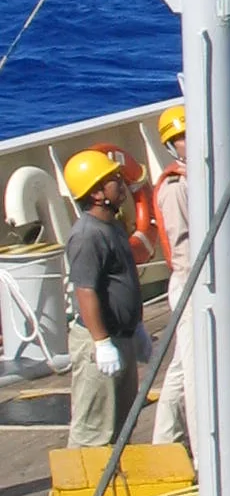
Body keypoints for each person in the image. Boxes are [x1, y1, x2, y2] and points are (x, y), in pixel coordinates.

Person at [63, 149, 147, 448]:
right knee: (93, 432)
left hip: (119, 338)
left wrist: (135, 327)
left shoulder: (113, 227)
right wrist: (101, 343)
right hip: (101, 343)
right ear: (97, 193)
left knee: (121, 427)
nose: (120, 182)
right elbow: (85, 291)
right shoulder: (88, 235)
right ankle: (85, 493)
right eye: (112, 179)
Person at [150, 105, 197, 457]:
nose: (187, 141)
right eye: (179, 138)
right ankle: (183, 442)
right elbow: (184, 243)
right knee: (189, 369)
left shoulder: (193, 178)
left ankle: (166, 441)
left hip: (199, 281)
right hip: (191, 281)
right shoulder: (176, 187)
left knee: (183, 366)